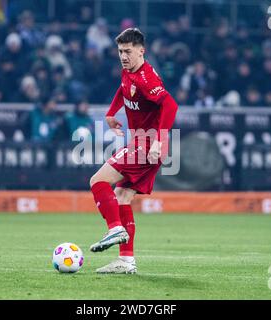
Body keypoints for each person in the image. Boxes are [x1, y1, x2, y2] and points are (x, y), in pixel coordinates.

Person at [88, 28, 179, 274]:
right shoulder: (129, 71)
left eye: (128, 51)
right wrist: (111, 112)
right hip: (143, 143)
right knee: (123, 196)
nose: (123, 56)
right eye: (120, 51)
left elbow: (170, 104)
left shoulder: (147, 78)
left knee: (97, 181)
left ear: (142, 51)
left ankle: (114, 228)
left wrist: (159, 140)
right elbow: (123, 89)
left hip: (148, 144)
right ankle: (126, 261)